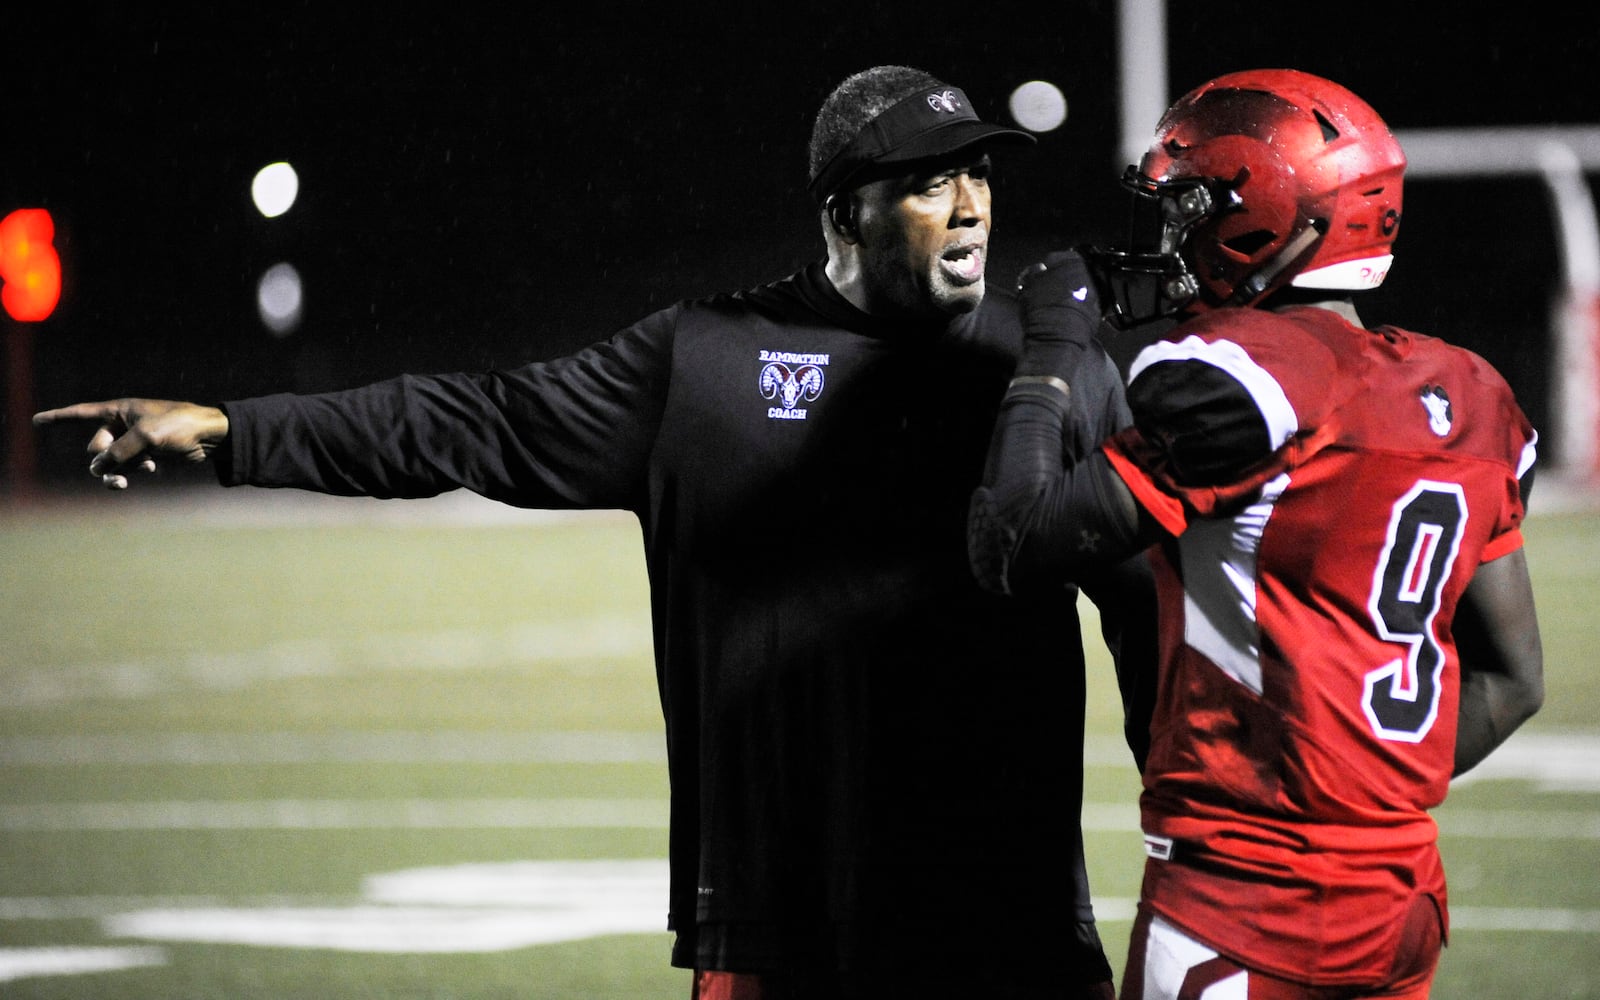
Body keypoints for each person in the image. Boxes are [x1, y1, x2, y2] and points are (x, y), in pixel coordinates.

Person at [35, 66, 1156, 999]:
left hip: (1003, 908)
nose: (970, 206)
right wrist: (234, 431)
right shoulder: (708, 362)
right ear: (841, 215)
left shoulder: (1047, 367)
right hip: (782, 921)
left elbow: (1152, 611)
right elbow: (474, 422)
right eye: (925, 184)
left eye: (977, 175)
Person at [967, 69, 1544, 1000]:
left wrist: (1054, 346)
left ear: (1272, 220)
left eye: (1191, 204)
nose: (1172, 234)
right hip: (1401, 903)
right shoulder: (1471, 397)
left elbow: (1011, 538)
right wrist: (1361, 803)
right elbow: (1514, 683)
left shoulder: (1246, 375)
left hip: (1247, 906)